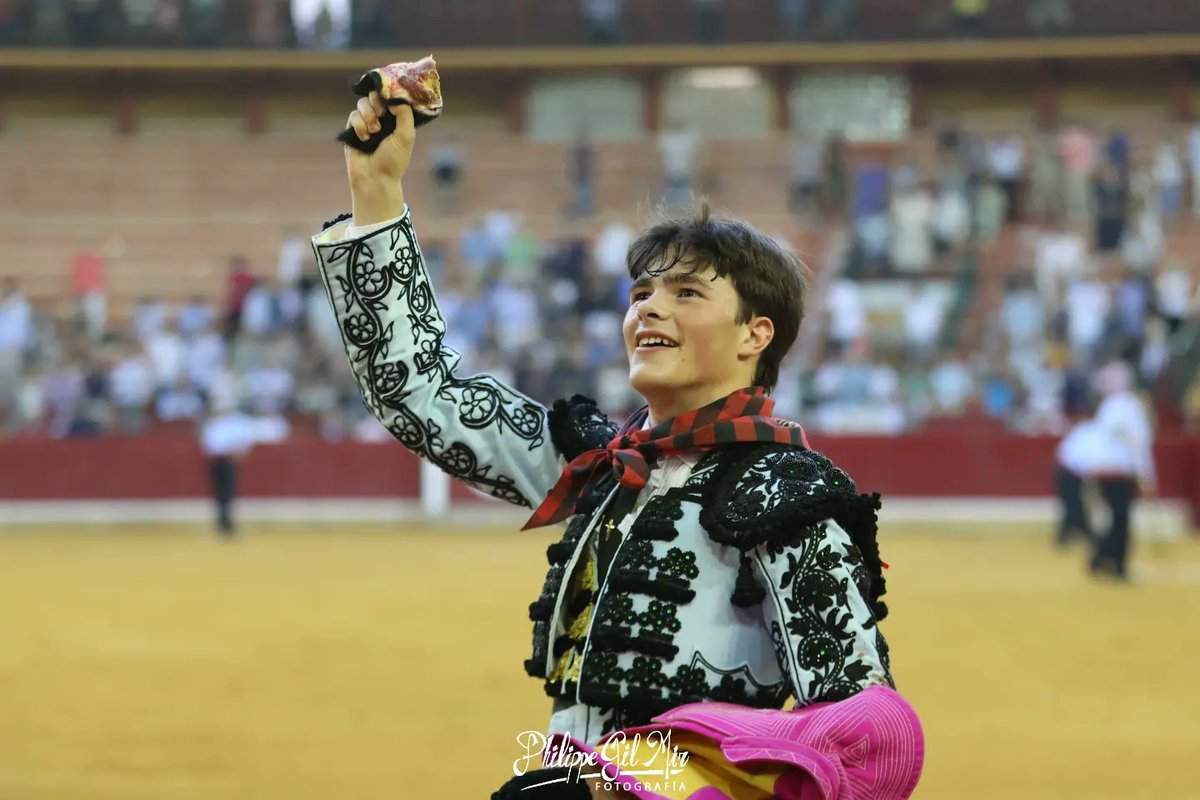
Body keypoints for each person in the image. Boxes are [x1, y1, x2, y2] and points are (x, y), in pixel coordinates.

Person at [316, 96, 922, 799]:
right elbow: (417, 391)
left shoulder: (784, 491)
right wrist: (377, 189)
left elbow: (866, 732)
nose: (649, 309)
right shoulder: (604, 463)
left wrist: (640, 784)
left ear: (756, 334)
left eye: (687, 293)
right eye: (641, 292)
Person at [1086, 361, 1156, 580]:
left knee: (1115, 518)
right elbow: (1137, 443)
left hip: (1103, 471)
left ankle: (1102, 559)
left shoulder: (1107, 406)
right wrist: (1146, 474)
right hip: (1120, 472)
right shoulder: (1130, 406)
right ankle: (1116, 564)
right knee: (1121, 519)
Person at [199, 398, 257, 537]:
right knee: (221, 493)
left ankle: (227, 521)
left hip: (229, 461)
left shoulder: (232, 423)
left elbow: (242, 443)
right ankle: (223, 521)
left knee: (228, 492)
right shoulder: (215, 424)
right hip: (217, 461)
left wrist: (238, 452)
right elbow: (208, 446)